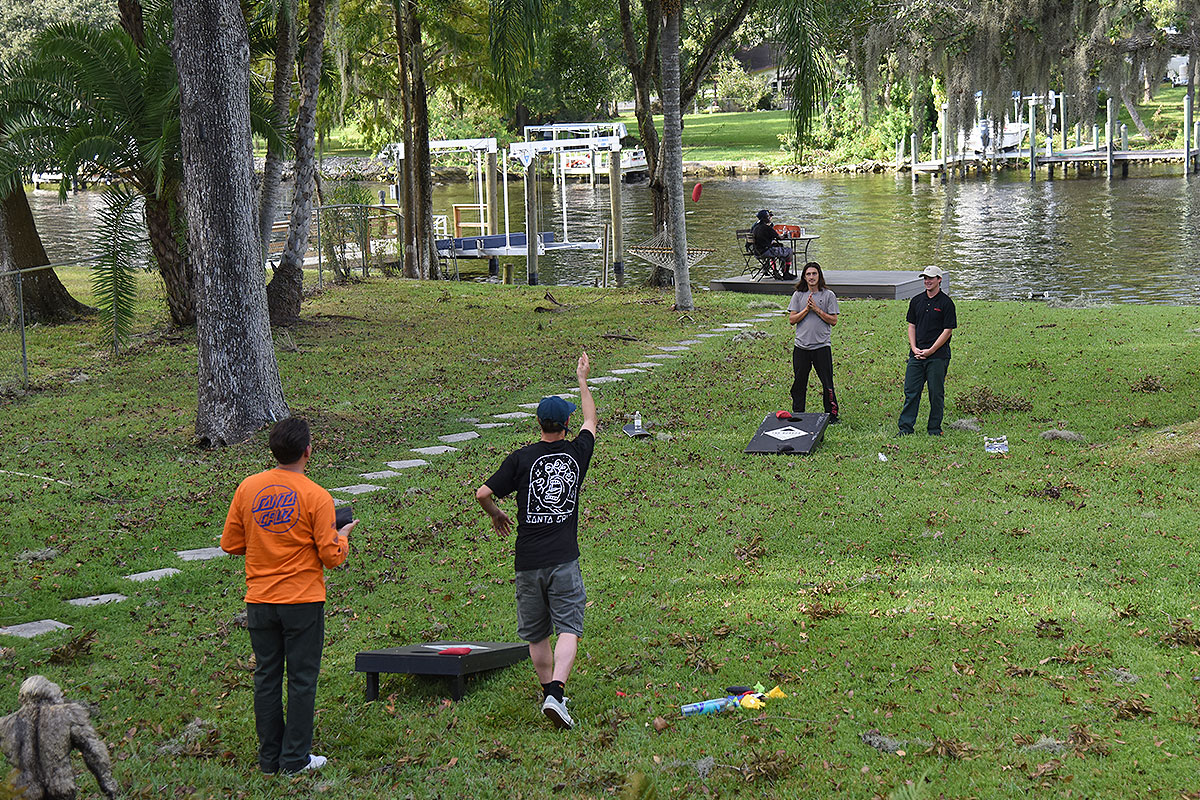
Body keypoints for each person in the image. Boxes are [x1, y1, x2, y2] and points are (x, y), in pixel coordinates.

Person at [221, 417, 356, 774]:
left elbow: (230, 544)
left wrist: (267, 541)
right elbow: (332, 558)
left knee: (266, 676)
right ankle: (295, 758)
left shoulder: (248, 488)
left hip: (260, 600)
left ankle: (269, 759)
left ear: (273, 450)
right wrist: (341, 535)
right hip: (302, 601)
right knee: (301, 678)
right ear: (308, 451)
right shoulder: (317, 496)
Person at [476, 352, 598, 730]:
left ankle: (549, 692)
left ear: (538, 424)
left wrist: (498, 514)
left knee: (535, 632)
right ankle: (557, 693)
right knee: (568, 628)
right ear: (565, 424)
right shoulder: (578, 454)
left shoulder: (521, 458)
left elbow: (482, 493)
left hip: (526, 559)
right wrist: (582, 379)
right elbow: (592, 420)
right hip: (564, 558)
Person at [898, 266, 958, 436]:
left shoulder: (946, 303)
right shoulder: (916, 301)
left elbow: (948, 330)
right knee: (911, 392)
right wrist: (914, 347)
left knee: (935, 393)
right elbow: (912, 325)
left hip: (937, 357)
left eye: (931, 278)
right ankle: (905, 428)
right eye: (925, 278)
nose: (927, 281)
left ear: (939, 279)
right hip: (916, 355)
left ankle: (934, 429)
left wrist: (931, 350)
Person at [787, 261, 839, 421]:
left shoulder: (828, 295)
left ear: (819, 275)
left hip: (821, 346)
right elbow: (792, 319)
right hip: (801, 347)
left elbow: (833, 320)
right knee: (799, 383)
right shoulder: (798, 295)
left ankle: (832, 415)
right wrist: (806, 309)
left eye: (814, 274)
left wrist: (816, 309)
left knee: (827, 383)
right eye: (808, 274)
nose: (811, 277)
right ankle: (798, 413)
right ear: (804, 276)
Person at [750, 209, 795, 280]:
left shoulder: (755, 227)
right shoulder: (767, 228)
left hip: (757, 252)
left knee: (779, 246)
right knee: (789, 251)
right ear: (764, 218)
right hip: (765, 251)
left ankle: (775, 270)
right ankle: (786, 273)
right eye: (768, 217)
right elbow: (780, 237)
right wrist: (786, 234)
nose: (769, 218)